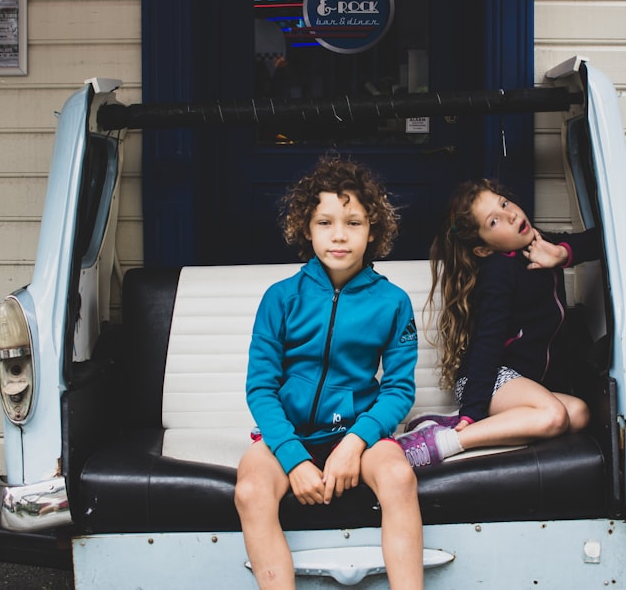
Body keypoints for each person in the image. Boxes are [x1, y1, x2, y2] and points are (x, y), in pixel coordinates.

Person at [234, 156, 424, 589]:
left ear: (373, 231)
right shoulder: (280, 299)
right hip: (290, 432)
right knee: (249, 491)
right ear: (307, 228)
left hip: (358, 432)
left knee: (398, 476)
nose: (339, 235)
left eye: (353, 223)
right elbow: (261, 388)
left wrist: (354, 444)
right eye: (325, 222)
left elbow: (397, 389)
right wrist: (294, 458)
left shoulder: (392, 302)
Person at [396, 178, 598, 468]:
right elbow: (487, 342)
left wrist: (561, 254)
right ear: (483, 249)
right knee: (553, 416)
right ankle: (446, 440)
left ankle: (450, 424)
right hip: (489, 381)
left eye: (504, 203)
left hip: (521, 384)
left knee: (578, 413)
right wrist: (472, 411)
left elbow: (599, 240)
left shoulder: (539, 243)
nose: (511, 214)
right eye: (494, 221)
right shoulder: (498, 271)